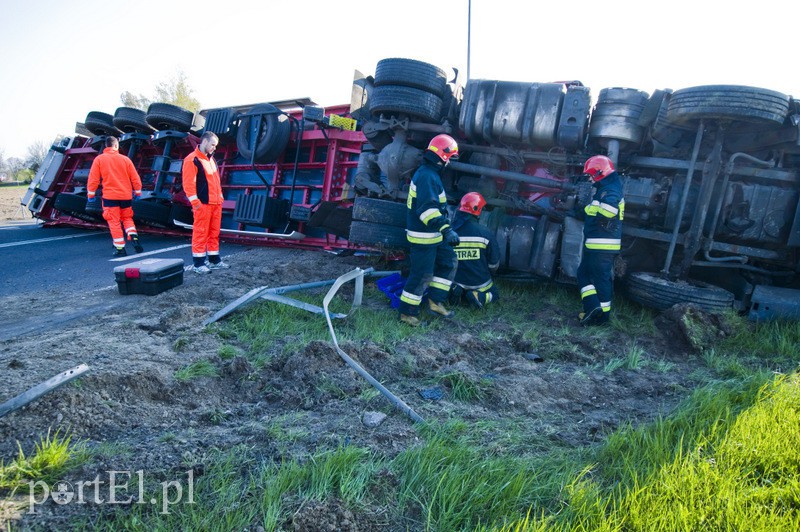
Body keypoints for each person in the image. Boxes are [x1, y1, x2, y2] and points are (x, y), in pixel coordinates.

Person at [398, 134, 461, 327]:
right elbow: (427, 211)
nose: (450, 161)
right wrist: (447, 230)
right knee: (422, 274)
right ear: (443, 155)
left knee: (449, 261)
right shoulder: (427, 176)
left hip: (434, 235)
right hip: (424, 237)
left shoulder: (430, 174)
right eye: (450, 157)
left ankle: (435, 301)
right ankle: (407, 313)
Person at [577, 155, 625, 326]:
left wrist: (593, 207)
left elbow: (610, 210)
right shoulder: (606, 187)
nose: (589, 179)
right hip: (597, 244)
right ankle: (593, 308)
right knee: (584, 274)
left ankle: (601, 317)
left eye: (591, 175)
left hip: (603, 245)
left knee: (601, 279)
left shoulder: (610, 189)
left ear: (599, 173)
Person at [86, 136, 144, 257]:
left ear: (106, 146)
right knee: (127, 218)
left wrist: (91, 194)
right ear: (116, 146)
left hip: (110, 197)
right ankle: (133, 235)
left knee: (114, 222)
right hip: (126, 196)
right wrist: (138, 192)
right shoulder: (125, 159)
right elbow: (135, 178)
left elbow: (93, 179)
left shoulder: (99, 159)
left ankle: (120, 249)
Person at [182, 131, 230, 274]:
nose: (214, 148)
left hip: (215, 203)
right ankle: (198, 264)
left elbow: (216, 181)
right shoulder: (192, 159)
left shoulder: (210, 160)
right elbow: (189, 183)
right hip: (203, 203)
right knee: (201, 233)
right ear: (204, 142)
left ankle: (214, 260)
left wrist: (219, 199)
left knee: (214, 233)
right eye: (213, 145)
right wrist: (195, 203)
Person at [450, 192, 500, 308]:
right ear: (478, 210)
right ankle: (479, 296)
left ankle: (454, 289)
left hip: (457, 280)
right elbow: (494, 264)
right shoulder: (486, 233)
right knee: (495, 294)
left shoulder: (450, 233)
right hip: (480, 283)